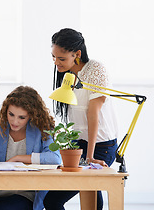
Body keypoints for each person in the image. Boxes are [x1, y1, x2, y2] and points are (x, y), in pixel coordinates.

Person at [44, 28, 118, 210]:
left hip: (101, 146)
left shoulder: (95, 70)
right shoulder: (68, 73)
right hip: (79, 145)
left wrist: (91, 156)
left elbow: (93, 115)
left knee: (81, 195)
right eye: (53, 57)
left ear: (77, 54)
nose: (56, 63)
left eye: (61, 59)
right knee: (58, 200)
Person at [0, 86, 61, 210]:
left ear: (31, 116)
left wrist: (19, 158)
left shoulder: (41, 129)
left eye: (21, 117)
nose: (14, 121)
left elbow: (54, 159)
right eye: (11, 114)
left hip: (25, 194)